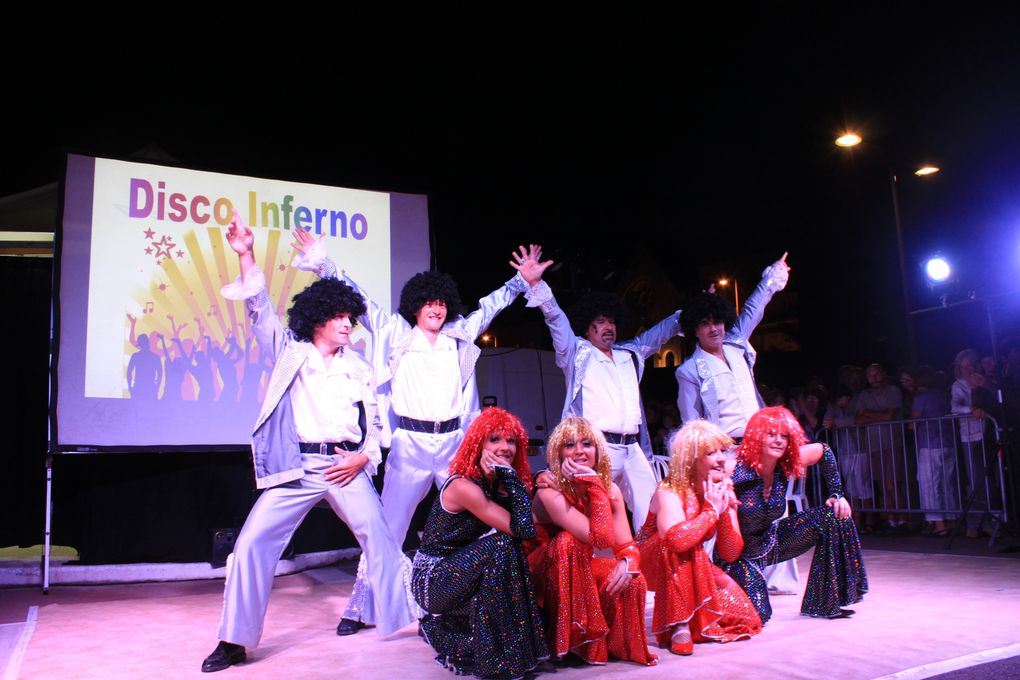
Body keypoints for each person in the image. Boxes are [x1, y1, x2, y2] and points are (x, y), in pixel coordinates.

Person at [291, 230, 551, 634]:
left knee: (475, 523)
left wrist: (522, 281)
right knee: (387, 530)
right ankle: (361, 607)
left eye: (442, 303)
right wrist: (323, 263)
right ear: (415, 307)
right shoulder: (396, 333)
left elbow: (491, 306)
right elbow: (357, 298)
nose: (437, 309)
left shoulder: (459, 336)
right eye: (429, 303)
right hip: (409, 445)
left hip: (452, 445)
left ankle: (478, 600)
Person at [200, 211, 415, 673]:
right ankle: (234, 641)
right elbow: (259, 307)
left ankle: (416, 616)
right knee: (250, 547)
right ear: (316, 318)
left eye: (349, 317)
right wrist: (247, 255)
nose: (346, 324)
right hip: (296, 468)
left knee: (381, 538)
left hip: (343, 467)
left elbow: (376, 427)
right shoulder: (289, 352)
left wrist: (362, 457)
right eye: (338, 316)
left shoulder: (358, 366)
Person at [526, 277, 680, 531]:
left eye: (611, 321)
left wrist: (693, 311)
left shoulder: (630, 353)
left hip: (633, 449)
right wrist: (538, 286)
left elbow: (661, 333)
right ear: (587, 328)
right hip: (598, 448)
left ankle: (644, 563)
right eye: (600, 322)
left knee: (653, 508)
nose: (608, 327)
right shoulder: (576, 353)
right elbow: (556, 320)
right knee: (598, 513)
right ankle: (603, 564)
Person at [411, 407, 548, 678]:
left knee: (507, 552)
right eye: (494, 439)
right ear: (478, 444)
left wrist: (535, 477)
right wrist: (511, 479)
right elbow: (523, 530)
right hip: (432, 580)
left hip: (461, 576)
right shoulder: (464, 486)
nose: (505, 447)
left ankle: (445, 630)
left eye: (511, 441)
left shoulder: (493, 487)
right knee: (503, 544)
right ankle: (486, 657)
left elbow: (526, 522)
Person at [715, 406, 868, 624]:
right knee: (758, 617)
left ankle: (823, 604)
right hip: (738, 557)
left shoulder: (784, 464)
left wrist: (837, 494)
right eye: (771, 434)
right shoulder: (733, 468)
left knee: (833, 515)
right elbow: (696, 480)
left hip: (771, 543)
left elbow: (823, 451)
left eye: (784, 436)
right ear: (757, 436)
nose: (778, 440)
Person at [528, 417, 657, 666]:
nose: (579, 451)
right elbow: (599, 538)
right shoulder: (549, 491)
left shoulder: (610, 490)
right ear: (557, 453)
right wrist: (595, 486)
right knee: (569, 542)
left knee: (633, 578)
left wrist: (628, 562)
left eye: (587, 443)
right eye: (569, 445)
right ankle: (569, 638)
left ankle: (614, 645)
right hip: (539, 575)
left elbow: (624, 545)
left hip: (579, 567)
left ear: (598, 449)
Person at [637, 420, 761, 655]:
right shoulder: (670, 489)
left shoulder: (720, 488)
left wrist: (724, 510)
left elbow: (730, 552)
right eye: (710, 452)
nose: (722, 458)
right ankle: (678, 624)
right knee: (682, 545)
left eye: (722, 451)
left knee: (746, 618)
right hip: (650, 559)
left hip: (692, 560)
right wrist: (710, 511)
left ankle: (692, 617)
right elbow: (674, 540)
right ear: (691, 459)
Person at [675, 253, 791, 437]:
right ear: (694, 330)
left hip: (759, 444)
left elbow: (753, 309)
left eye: (717, 322)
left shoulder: (736, 345)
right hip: (726, 453)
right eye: (705, 324)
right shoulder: (689, 371)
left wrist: (772, 277)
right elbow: (692, 424)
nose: (713, 329)